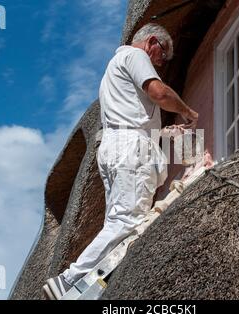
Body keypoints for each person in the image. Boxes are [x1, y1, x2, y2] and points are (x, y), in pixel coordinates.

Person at [44, 23, 198, 299]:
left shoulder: (111, 73)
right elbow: (159, 94)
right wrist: (186, 111)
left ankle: (85, 285)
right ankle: (70, 279)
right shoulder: (135, 57)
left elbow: (130, 119)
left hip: (115, 147)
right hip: (129, 148)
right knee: (127, 221)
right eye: (162, 57)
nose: (161, 64)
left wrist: (163, 134)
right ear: (152, 43)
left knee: (118, 220)